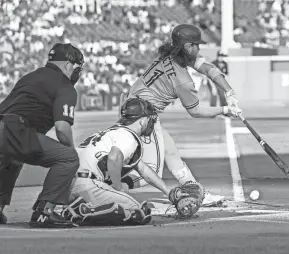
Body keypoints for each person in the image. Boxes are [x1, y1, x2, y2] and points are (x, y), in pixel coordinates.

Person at [119, 24, 242, 206]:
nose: (199, 48)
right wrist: (226, 110)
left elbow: (209, 69)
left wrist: (229, 92)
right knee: (151, 168)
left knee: (169, 151)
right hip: (141, 116)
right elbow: (196, 111)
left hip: (133, 107)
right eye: (196, 45)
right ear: (187, 47)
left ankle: (194, 188)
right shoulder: (182, 80)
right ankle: (112, 187)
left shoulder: (172, 56)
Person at [0, 43, 84, 228]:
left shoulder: (31, 76)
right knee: (68, 158)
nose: (78, 72)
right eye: (79, 68)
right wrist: (72, 154)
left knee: (13, 159)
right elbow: (62, 128)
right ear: (69, 65)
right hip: (13, 131)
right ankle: (45, 212)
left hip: (5, 127)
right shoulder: (65, 85)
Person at [63, 98, 169, 226]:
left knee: (125, 205)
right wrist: (118, 187)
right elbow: (114, 157)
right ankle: (83, 211)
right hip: (87, 184)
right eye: (150, 119)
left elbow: (144, 170)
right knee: (139, 211)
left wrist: (168, 193)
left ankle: (81, 206)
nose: (152, 122)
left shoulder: (113, 133)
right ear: (142, 121)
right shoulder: (128, 136)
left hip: (67, 185)